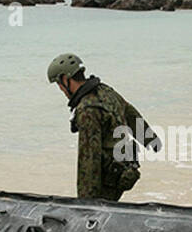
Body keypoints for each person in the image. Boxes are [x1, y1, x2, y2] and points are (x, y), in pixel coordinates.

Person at [47, 53, 160, 200]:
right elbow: (130, 113)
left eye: (59, 85)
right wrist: (151, 140)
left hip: (109, 181)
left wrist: (85, 205)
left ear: (65, 79)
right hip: (126, 169)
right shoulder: (105, 90)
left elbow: (88, 162)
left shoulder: (87, 109)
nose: (61, 90)